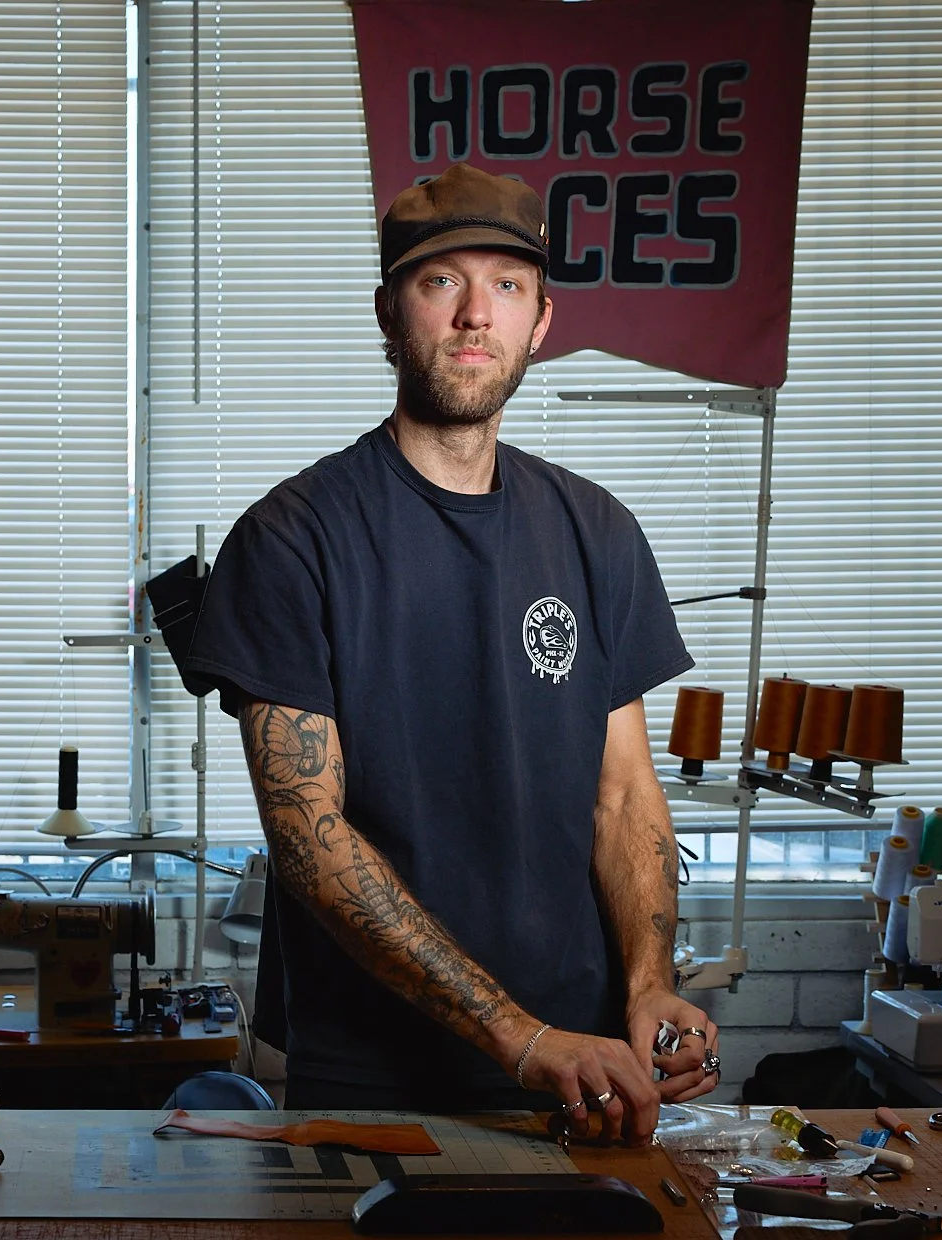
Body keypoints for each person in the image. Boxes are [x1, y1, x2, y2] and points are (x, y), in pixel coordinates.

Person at [184, 163, 720, 1140]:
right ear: (388, 314)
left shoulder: (597, 533)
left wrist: (647, 988)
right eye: (440, 284)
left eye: (506, 287)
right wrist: (517, 1037)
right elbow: (310, 838)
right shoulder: (292, 539)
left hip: (587, 1072)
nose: (475, 314)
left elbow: (624, 795)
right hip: (374, 1076)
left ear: (540, 323)